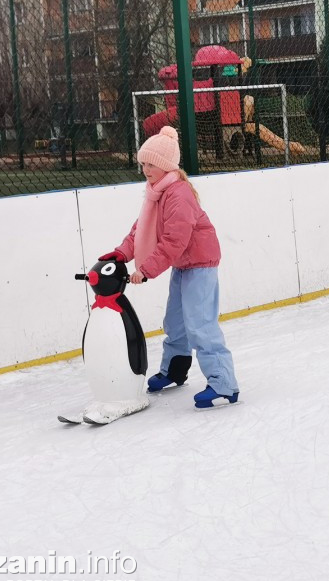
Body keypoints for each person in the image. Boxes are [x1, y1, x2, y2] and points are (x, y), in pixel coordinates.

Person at [100, 126, 240, 409]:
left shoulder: (179, 194)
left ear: (165, 165)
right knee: (175, 322)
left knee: (200, 324)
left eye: (150, 164)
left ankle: (224, 382)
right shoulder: (156, 194)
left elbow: (174, 240)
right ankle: (175, 369)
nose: (145, 169)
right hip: (183, 265)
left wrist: (146, 270)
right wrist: (121, 254)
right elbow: (141, 231)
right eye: (143, 163)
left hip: (200, 264)